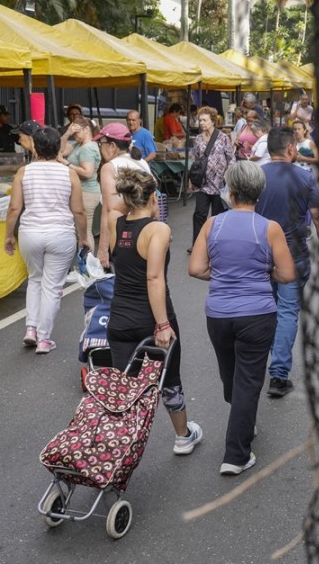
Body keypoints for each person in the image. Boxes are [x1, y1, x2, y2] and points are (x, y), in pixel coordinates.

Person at [189, 161, 296, 474]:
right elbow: (287, 274)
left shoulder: (213, 224)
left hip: (219, 314)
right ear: (259, 193)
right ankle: (236, 455)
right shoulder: (269, 228)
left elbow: (195, 268)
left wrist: (223, 275)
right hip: (258, 314)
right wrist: (261, 273)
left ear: (230, 192)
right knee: (247, 383)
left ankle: (242, 423)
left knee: (231, 377)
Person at [107, 167, 203, 456]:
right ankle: (182, 436)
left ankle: (118, 446)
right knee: (170, 379)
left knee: (125, 386)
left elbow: (117, 207)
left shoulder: (114, 222)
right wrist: (162, 324)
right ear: (152, 199)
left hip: (119, 320)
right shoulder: (158, 230)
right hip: (152, 320)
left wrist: (137, 200)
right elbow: (154, 278)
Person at [4, 127, 88, 354]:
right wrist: (84, 238)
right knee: (52, 287)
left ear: (36, 147)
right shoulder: (68, 173)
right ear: (57, 148)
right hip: (60, 234)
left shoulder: (24, 172)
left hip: (30, 233)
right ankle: (43, 339)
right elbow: (79, 211)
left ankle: (30, 329)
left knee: (35, 280)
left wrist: (9, 235)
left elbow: (14, 209)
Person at [256, 127, 319, 398]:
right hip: (293, 254)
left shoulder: (255, 176)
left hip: (258, 254)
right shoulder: (305, 177)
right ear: (291, 148)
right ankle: (279, 376)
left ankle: (256, 366)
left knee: (264, 309)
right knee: (287, 311)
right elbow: (318, 217)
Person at [95, 122, 153, 268]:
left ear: (113, 146)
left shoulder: (109, 167)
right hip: (145, 228)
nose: (100, 148)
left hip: (121, 232)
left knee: (120, 282)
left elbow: (109, 210)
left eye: (101, 144)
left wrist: (103, 250)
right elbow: (153, 201)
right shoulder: (141, 162)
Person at [190, 105, 234, 251]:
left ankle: (216, 243)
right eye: (200, 120)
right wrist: (191, 179)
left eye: (204, 120)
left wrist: (229, 177)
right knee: (199, 214)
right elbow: (196, 160)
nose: (201, 123)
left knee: (217, 216)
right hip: (203, 183)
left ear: (213, 120)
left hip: (220, 183)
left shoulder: (223, 138)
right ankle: (197, 244)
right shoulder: (197, 139)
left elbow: (231, 158)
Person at [58, 118, 101, 251]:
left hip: (87, 193)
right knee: (81, 232)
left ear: (87, 129)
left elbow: (87, 173)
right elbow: (59, 152)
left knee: (84, 232)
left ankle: (87, 266)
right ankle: (85, 265)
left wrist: (67, 164)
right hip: (83, 192)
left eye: (77, 132)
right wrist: (66, 134)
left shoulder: (87, 148)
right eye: (73, 133)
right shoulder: (79, 145)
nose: (75, 136)